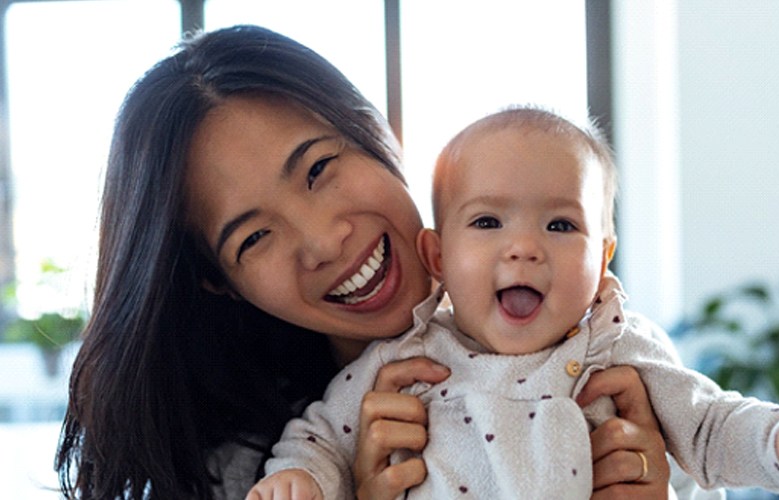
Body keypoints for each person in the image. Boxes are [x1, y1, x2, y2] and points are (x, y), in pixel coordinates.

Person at [55, 26, 688, 499]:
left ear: (375, 133)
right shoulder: (249, 469)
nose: (325, 241)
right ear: (220, 283)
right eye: (254, 238)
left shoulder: (597, 350)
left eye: (320, 169)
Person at [250, 107, 779, 499]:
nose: (523, 249)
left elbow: (712, 427)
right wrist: (299, 481)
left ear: (603, 258)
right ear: (438, 257)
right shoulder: (406, 362)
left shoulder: (621, 350)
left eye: (560, 227)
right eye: (488, 222)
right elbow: (321, 439)